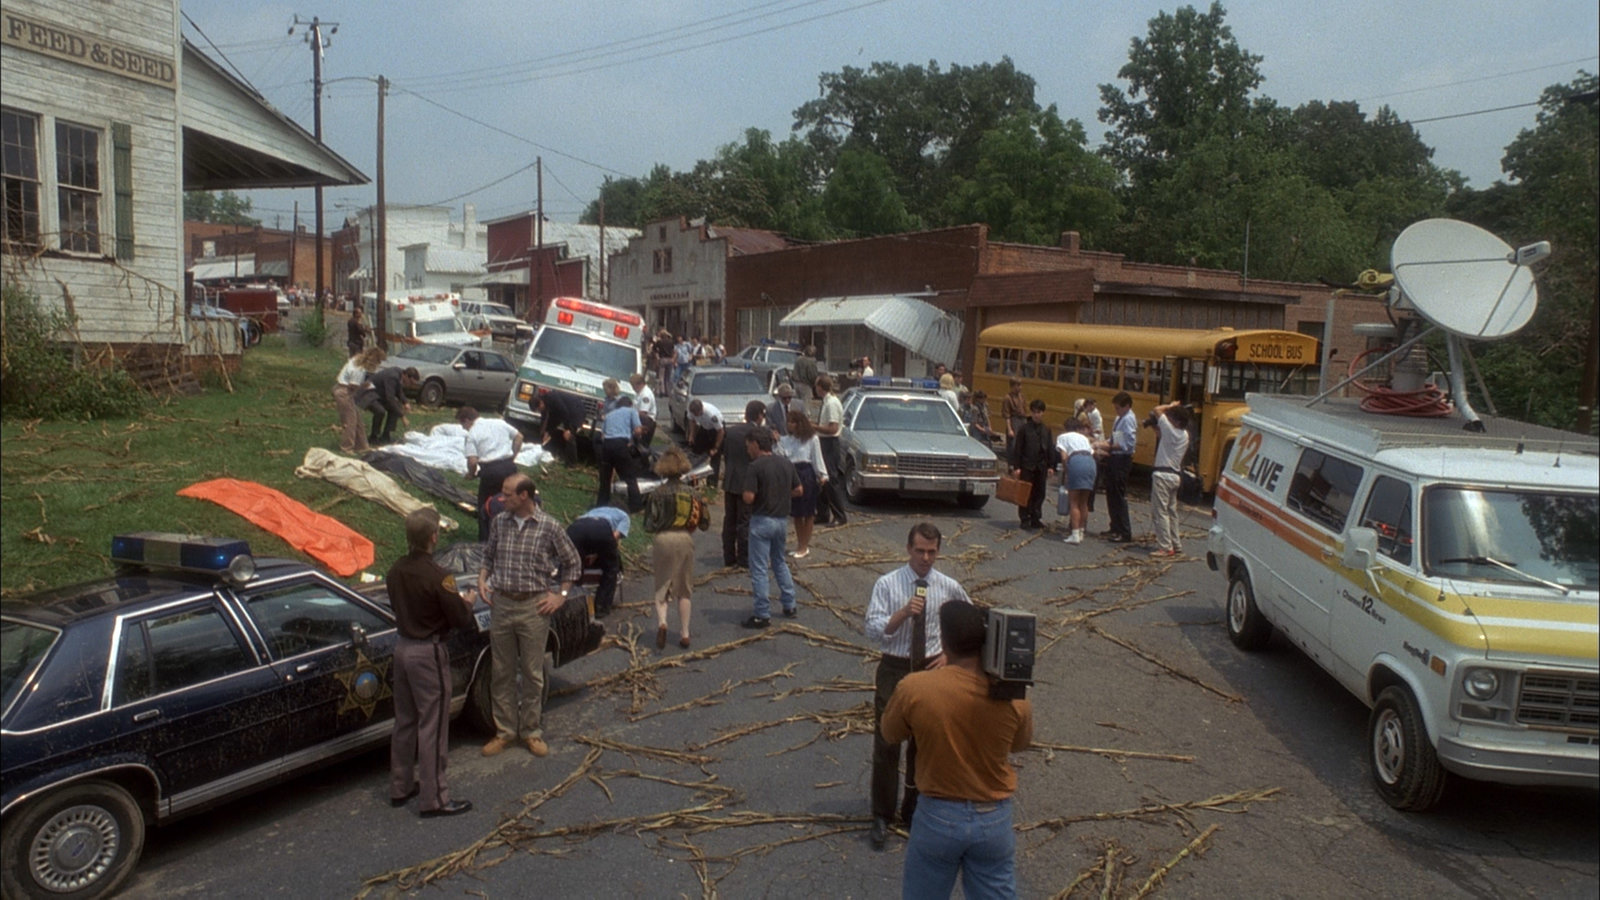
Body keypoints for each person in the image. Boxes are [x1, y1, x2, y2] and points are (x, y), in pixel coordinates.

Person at [880, 601, 1034, 897]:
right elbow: (1020, 743)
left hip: (938, 814)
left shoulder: (915, 688)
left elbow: (890, 733)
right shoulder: (1015, 696)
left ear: (944, 640)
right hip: (994, 818)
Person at [864, 522, 972, 851]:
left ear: (939, 551)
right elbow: (871, 629)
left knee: (923, 745)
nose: (926, 558)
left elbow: (973, 626)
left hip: (930, 670)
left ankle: (913, 811)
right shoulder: (888, 583)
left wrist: (950, 657)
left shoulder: (949, 587)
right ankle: (881, 814)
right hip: (895, 668)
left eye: (932, 552)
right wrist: (899, 615)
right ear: (908, 549)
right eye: (920, 551)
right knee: (886, 742)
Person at [478, 473, 581, 759]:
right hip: (502, 604)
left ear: (524, 496)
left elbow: (572, 563)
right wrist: (483, 578)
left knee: (532, 673)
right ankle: (505, 731)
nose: (501, 498)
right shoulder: (500, 522)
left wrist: (560, 596)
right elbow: (488, 556)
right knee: (502, 671)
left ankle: (531, 731)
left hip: (534, 606)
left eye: (507, 494)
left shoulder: (549, 527)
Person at [386, 508, 477, 818]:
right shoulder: (441, 576)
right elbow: (460, 618)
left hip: (402, 648)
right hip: (428, 652)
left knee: (405, 720)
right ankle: (434, 797)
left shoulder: (396, 569)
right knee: (434, 724)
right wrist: (468, 602)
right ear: (434, 537)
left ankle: (400, 785)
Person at [643, 446, 708, 649]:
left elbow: (648, 525)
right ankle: (685, 632)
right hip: (684, 538)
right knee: (684, 588)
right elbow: (705, 523)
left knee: (662, 585)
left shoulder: (656, 494)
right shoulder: (692, 493)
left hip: (663, 539)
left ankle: (663, 622)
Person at [740, 428, 801, 628]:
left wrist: (751, 495)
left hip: (761, 520)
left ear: (757, 444)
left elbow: (749, 497)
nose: (747, 449)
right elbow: (799, 490)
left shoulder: (755, 467)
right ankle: (789, 604)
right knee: (779, 562)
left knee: (759, 568)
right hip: (781, 521)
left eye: (749, 445)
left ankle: (762, 613)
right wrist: (781, 495)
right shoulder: (785, 463)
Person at [459, 406, 523, 541]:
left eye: (463, 425)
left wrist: (471, 474)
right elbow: (519, 437)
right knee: (510, 503)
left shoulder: (472, 433)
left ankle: (486, 542)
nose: (464, 429)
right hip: (509, 468)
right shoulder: (499, 422)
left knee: (485, 508)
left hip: (490, 472)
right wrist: (513, 456)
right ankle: (511, 538)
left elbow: (472, 461)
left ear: (467, 420)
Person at [719, 401, 765, 568]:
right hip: (747, 482)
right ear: (759, 415)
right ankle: (743, 558)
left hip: (730, 479)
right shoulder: (757, 433)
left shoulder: (731, 431)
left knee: (729, 519)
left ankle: (728, 556)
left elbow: (725, 454)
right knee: (744, 520)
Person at [778, 408, 826, 559]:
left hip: (806, 473)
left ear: (800, 423)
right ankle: (800, 544)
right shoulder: (785, 439)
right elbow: (781, 454)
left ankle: (804, 546)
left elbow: (817, 457)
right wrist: (776, 440)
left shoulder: (812, 438)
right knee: (797, 513)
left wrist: (822, 475)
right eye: (788, 422)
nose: (789, 425)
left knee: (808, 512)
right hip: (792, 473)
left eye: (793, 422)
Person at [1147, 400, 1192, 558]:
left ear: (1177, 421)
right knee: (1172, 512)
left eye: (1172, 416)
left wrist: (1171, 405)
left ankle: (1165, 547)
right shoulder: (1184, 435)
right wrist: (1154, 425)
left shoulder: (1170, 429)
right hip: (1175, 476)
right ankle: (1176, 544)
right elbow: (1162, 435)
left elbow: (1157, 409)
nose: (1169, 418)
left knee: (1160, 512)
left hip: (1162, 476)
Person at [567, 506, 628, 617]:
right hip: (601, 528)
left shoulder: (595, 511)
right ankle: (601, 608)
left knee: (575, 566)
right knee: (611, 568)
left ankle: (573, 604)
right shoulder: (624, 516)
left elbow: (586, 532)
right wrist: (600, 553)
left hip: (575, 528)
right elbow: (614, 537)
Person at [597, 389, 645, 512]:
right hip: (620, 445)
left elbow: (602, 435)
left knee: (605, 478)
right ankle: (636, 505)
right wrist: (636, 438)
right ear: (630, 404)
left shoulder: (609, 415)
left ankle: (602, 503)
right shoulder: (631, 411)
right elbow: (638, 430)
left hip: (607, 446)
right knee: (630, 478)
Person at [1010, 399, 1052, 530]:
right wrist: (1016, 467)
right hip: (1027, 465)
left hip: (1041, 466)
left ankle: (1036, 517)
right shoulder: (1024, 429)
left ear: (1043, 413)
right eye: (1034, 412)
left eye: (1039, 412)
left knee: (1039, 493)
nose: (1036, 415)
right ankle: (1024, 518)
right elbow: (1018, 448)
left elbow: (1050, 448)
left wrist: (1051, 466)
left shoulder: (1046, 430)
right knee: (1025, 492)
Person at [813, 375, 849, 527]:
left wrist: (814, 427)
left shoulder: (832, 403)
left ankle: (840, 515)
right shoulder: (825, 402)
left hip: (830, 443)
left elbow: (833, 428)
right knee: (821, 478)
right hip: (823, 442)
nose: (815, 389)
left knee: (830, 479)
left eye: (816, 386)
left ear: (821, 387)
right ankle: (822, 513)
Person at [1101, 391, 1137, 544]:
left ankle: (1124, 531)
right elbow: (1116, 438)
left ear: (1127, 406)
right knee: (1111, 493)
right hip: (1114, 457)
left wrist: (1107, 446)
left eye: (1118, 408)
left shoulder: (1128, 420)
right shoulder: (1120, 418)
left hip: (1122, 459)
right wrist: (1105, 443)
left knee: (1118, 495)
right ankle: (1114, 526)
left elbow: (1126, 444)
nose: (1116, 411)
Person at [334, 347, 384, 454]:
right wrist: (364, 386)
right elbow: (353, 386)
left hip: (343, 389)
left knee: (358, 420)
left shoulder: (356, 359)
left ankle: (362, 446)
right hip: (344, 392)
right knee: (350, 421)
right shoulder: (359, 370)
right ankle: (346, 447)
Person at [1055, 418, 1097, 544]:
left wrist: (1067, 472)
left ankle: (1075, 534)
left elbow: (1064, 457)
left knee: (1074, 502)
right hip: (1090, 462)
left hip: (1076, 461)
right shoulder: (1083, 438)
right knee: (1084, 502)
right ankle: (1082, 531)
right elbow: (1092, 452)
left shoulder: (1062, 437)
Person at [356, 366, 421, 446]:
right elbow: (390, 398)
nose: (410, 385)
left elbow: (398, 391)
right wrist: (402, 416)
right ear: (406, 376)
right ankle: (373, 436)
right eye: (411, 382)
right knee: (380, 411)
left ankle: (386, 435)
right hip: (368, 394)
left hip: (378, 394)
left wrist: (405, 402)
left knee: (395, 409)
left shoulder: (399, 374)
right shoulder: (392, 377)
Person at [537, 391, 586, 465]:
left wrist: (568, 429)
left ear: (541, 403)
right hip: (564, 413)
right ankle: (558, 454)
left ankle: (571, 463)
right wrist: (547, 431)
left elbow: (564, 412)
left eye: (539, 409)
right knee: (554, 432)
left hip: (575, 411)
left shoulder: (553, 398)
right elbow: (548, 419)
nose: (539, 411)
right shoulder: (546, 402)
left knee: (569, 436)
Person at [686, 398, 725, 487]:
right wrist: (692, 435)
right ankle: (692, 480)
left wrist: (716, 447)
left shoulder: (712, 415)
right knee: (695, 451)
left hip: (716, 431)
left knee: (714, 456)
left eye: (697, 414)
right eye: (694, 414)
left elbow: (721, 431)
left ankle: (712, 484)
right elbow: (692, 421)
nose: (696, 415)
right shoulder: (691, 410)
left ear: (701, 409)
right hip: (704, 428)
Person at [628, 372, 657, 450]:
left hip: (645, 422)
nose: (633, 388)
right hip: (640, 420)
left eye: (633, 386)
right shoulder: (639, 393)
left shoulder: (645, 395)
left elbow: (643, 413)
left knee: (641, 448)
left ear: (638, 384)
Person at [1001, 378, 1027, 459]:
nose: (1020, 387)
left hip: (1022, 420)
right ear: (1012, 386)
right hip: (1014, 421)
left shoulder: (1021, 396)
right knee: (1013, 444)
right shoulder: (1007, 398)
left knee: (1022, 442)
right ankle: (1011, 464)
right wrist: (1010, 429)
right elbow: (1007, 415)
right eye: (1018, 385)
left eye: (1020, 385)